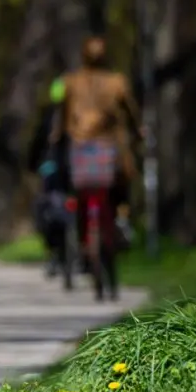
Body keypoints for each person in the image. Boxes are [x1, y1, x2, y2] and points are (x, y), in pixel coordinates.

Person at [53, 36, 141, 276]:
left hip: (80, 149)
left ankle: (80, 239)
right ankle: (123, 220)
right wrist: (139, 132)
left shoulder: (69, 82)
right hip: (109, 149)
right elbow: (132, 113)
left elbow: (61, 115)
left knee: (74, 191)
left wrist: (57, 136)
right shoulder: (117, 82)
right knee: (122, 184)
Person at [26, 77, 69, 277]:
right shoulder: (85, 116)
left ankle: (53, 254)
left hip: (53, 171)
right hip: (79, 170)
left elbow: (37, 145)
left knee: (47, 209)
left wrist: (31, 164)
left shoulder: (50, 117)